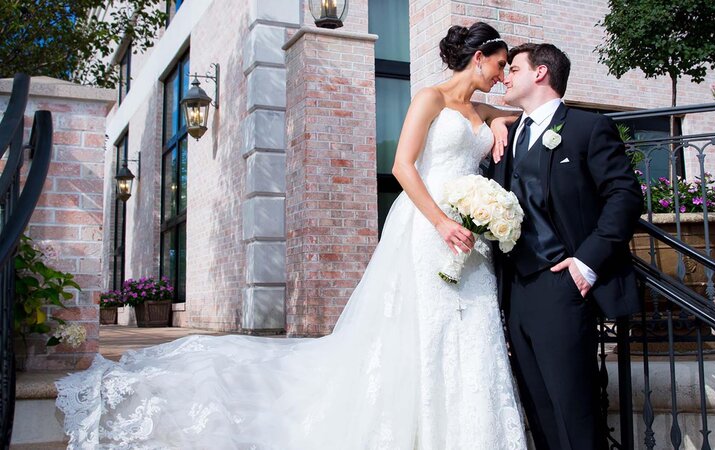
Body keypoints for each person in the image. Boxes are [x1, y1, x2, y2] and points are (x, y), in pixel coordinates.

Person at [55, 22, 527, 449]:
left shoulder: (477, 109)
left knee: (472, 327)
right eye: (501, 64)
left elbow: (505, 117)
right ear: (479, 57)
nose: (502, 75)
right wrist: (441, 222)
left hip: (471, 236)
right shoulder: (431, 98)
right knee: (426, 326)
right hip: (429, 226)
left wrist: (501, 122)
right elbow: (402, 167)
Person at [485, 43, 642, 450]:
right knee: (539, 410)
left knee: (574, 409)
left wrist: (586, 263)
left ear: (540, 73)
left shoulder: (587, 128)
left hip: (563, 282)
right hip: (515, 291)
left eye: (513, 68)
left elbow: (624, 196)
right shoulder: (508, 133)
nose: (505, 75)